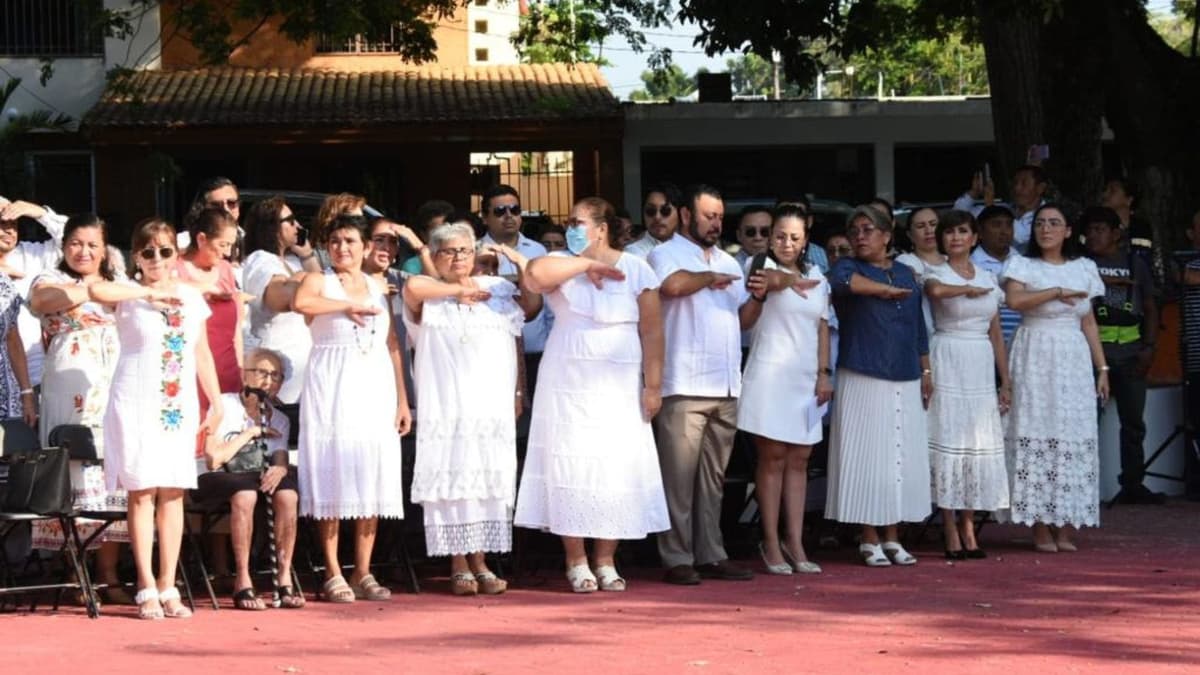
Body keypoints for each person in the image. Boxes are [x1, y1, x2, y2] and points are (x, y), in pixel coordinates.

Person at [514, 197, 669, 593]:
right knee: (571, 464)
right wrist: (586, 264)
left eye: (579, 222)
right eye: (569, 222)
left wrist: (653, 386)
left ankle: (606, 559)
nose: (572, 228)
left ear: (601, 228)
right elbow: (534, 276)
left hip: (618, 382)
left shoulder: (636, 268)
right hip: (568, 378)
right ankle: (576, 559)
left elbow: (652, 331)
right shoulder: (563, 263)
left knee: (613, 466)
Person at [90, 218, 224, 620]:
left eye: (165, 251)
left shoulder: (189, 296)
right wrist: (148, 294)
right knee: (142, 491)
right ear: (137, 256)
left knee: (174, 491)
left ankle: (169, 583)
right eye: (148, 252)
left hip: (176, 402)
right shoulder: (128, 292)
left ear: (175, 254)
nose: (157, 259)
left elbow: (201, 352)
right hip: (134, 399)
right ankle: (145, 584)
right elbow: (96, 288)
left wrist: (215, 402)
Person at [403, 222, 534, 596]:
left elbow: (532, 304)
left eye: (465, 250)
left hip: (489, 404)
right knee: (453, 478)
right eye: (449, 251)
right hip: (448, 405)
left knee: (484, 479)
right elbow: (412, 287)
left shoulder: (497, 290)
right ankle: (458, 563)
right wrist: (457, 291)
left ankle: (481, 561)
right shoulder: (431, 294)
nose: (459, 257)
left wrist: (520, 263)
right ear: (436, 256)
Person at [293, 214, 412, 603]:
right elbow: (301, 302)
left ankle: (363, 571)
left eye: (350, 241)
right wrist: (345, 306)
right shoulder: (319, 281)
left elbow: (392, 343)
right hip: (332, 382)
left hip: (373, 384)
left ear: (365, 247)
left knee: (370, 476)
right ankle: (331, 571)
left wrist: (402, 399)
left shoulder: (381, 286)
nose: (342, 248)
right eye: (336, 241)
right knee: (333, 474)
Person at [648, 183, 753, 585]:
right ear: (686, 216)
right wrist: (708, 276)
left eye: (720, 217)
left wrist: (758, 297)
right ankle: (676, 556)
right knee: (678, 479)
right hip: (684, 382)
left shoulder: (729, 260)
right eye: (709, 216)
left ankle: (711, 553)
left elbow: (741, 320)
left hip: (725, 384)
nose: (716, 223)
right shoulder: (664, 253)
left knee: (713, 481)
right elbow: (671, 287)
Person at [824, 205, 931, 567]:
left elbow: (919, 327)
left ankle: (893, 536)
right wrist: (883, 292)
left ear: (887, 235)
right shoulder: (847, 265)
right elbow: (843, 285)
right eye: (854, 230)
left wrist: (927, 371)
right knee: (868, 456)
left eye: (868, 230)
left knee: (899, 456)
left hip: (905, 373)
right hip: (863, 370)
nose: (859, 236)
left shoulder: (906, 272)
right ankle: (868, 536)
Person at [27, 214, 127, 602]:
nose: (83, 251)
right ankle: (77, 572)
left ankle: (110, 575)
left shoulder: (121, 286)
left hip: (112, 390)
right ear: (64, 246)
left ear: (105, 251)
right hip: (67, 396)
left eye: (92, 245)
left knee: (110, 481)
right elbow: (42, 303)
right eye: (76, 244)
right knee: (74, 480)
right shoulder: (48, 281)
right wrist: (89, 289)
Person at [1000, 203, 1108, 552]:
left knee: (1070, 433)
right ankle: (1040, 525)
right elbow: (1015, 300)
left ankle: (1065, 523)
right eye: (1040, 223)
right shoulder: (1022, 263)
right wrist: (1056, 292)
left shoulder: (1084, 267)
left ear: (1068, 231)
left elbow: (1088, 321)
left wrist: (1101, 368)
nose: (1046, 229)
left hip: (1072, 356)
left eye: (1054, 223)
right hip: (1034, 351)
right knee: (1037, 428)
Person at [736, 204, 832, 575]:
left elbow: (823, 326)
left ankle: (795, 541)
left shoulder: (818, 275)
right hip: (769, 375)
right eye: (779, 236)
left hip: (806, 378)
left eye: (794, 237)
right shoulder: (759, 267)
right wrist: (790, 281)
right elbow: (762, 296)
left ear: (806, 239)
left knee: (800, 460)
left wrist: (824, 374)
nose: (786, 243)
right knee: (772, 458)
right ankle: (770, 541)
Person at [923, 210, 1011, 559]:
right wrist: (967, 289)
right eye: (950, 232)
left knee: (976, 440)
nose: (956, 237)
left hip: (979, 361)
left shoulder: (991, 277)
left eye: (963, 231)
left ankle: (970, 524)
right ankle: (949, 526)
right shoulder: (935, 271)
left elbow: (997, 335)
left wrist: (1006, 380)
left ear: (974, 237)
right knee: (949, 435)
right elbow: (937, 292)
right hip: (947, 354)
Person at [194, 348, 303, 610]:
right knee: (246, 494)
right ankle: (242, 579)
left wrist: (280, 469)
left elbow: (278, 458)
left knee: (288, 494)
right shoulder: (224, 404)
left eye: (276, 376)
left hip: (254, 475)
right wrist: (253, 432)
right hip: (216, 475)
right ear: (245, 375)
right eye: (263, 373)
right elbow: (214, 459)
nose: (269, 381)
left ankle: (284, 578)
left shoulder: (279, 418)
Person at [1082, 206, 1162, 504]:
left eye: (1100, 229)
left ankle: (1132, 484)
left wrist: (1150, 347)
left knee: (1133, 423)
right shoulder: (1081, 264)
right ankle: (1085, 487)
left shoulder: (1135, 263)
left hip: (1131, 353)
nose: (1092, 235)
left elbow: (1151, 306)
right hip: (1092, 356)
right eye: (1089, 230)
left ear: (1117, 234)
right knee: (1087, 422)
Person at [241, 196, 320, 404]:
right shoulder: (260, 260)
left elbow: (322, 293)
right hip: (277, 374)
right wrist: (306, 281)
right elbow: (278, 297)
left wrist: (307, 256)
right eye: (291, 220)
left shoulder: (293, 264)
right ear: (272, 227)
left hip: (303, 375)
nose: (298, 226)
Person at [176, 207, 244, 415]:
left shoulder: (225, 270)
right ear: (202, 239)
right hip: (191, 374)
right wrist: (204, 289)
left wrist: (241, 370)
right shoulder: (176, 269)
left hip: (228, 371)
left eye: (231, 246)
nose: (226, 252)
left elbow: (237, 330)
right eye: (222, 244)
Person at [0, 197, 69, 390]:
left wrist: (39, 213)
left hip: (36, 375)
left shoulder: (31, 254)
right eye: (1, 223)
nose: (9, 230)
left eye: (13, 223)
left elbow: (72, 239)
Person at [955, 165, 1047, 252]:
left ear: (1040, 188)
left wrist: (991, 207)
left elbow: (1020, 237)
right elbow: (958, 216)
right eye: (1015, 183)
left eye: (1024, 184)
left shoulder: (1047, 214)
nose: (1016, 188)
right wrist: (974, 193)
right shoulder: (1006, 208)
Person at [971, 205, 1023, 345]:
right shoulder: (970, 266)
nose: (1004, 231)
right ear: (980, 232)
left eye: (1008, 225)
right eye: (996, 225)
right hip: (984, 341)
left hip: (1024, 341)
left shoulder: (1025, 263)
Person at [895, 207, 944, 338]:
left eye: (933, 224)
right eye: (920, 226)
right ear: (910, 235)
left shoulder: (952, 260)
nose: (929, 231)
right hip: (921, 339)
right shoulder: (904, 261)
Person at [178, 177, 241, 251]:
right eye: (216, 205)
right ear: (202, 208)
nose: (225, 209)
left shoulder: (251, 240)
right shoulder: (182, 243)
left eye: (231, 203)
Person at [625, 183, 682, 259]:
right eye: (650, 211)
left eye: (665, 211)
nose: (657, 217)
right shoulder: (633, 253)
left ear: (680, 213)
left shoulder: (693, 249)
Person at [311, 192, 366, 269]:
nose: (360, 224)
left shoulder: (363, 251)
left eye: (361, 219)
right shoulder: (315, 257)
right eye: (356, 219)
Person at [399, 200, 453, 277]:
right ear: (424, 235)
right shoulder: (412, 266)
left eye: (449, 229)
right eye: (438, 231)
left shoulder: (462, 258)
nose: (445, 235)